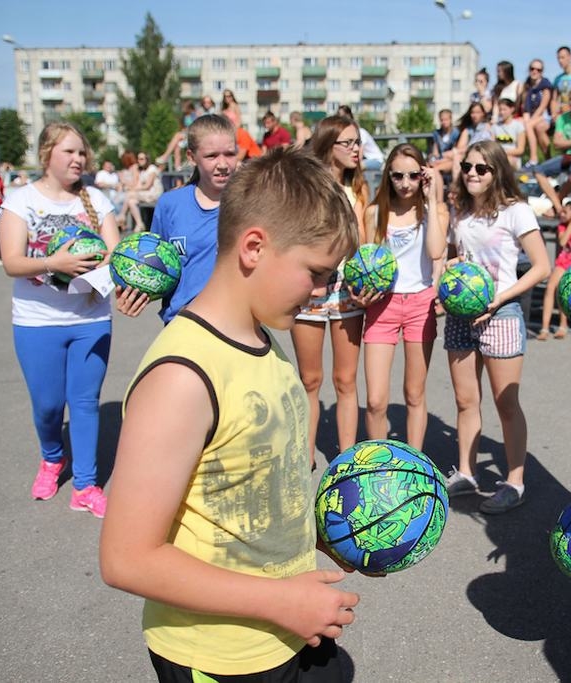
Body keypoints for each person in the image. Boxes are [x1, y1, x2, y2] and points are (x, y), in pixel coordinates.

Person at [99, 148, 362, 681]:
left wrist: (326, 534)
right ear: (254, 247)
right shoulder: (182, 377)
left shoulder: (264, 336)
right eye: (315, 272)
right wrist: (280, 602)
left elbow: (249, 486)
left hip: (285, 629)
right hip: (221, 656)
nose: (322, 292)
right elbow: (126, 558)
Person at [0, 122, 126, 518]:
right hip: (37, 321)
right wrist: (55, 263)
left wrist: (94, 265)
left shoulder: (96, 200)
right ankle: (52, 458)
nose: (78, 159)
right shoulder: (22, 201)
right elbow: (12, 262)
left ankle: (86, 485)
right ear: (46, 155)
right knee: (49, 406)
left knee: (85, 402)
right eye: (69, 152)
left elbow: (115, 253)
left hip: (90, 319)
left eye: (82, 153)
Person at [443, 140, 551, 514]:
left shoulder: (515, 211)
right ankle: (467, 474)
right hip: (461, 314)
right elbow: (459, 258)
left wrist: (499, 299)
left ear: (497, 172)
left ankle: (515, 481)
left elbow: (541, 266)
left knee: (506, 403)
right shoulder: (460, 212)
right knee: (465, 400)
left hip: (500, 314)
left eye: (481, 168)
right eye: (468, 167)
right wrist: (451, 274)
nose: (472, 173)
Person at [292, 115, 368, 468]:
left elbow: (365, 242)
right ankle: (305, 453)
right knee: (310, 379)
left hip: (348, 291)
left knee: (345, 380)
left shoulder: (360, 188)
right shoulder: (306, 185)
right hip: (310, 289)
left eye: (357, 142)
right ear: (328, 146)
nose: (356, 149)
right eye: (348, 143)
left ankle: (347, 457)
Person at [361, 144, 448, 450]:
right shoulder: (374, 212)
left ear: (423, 174)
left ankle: (413, 462)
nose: (406, 183)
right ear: (388, 175)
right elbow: (366, 260)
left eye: (413, 175)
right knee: (374, 400)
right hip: (382, 304)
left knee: (414, 394)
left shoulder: (433, 211)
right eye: (398, 175)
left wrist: (433, 197)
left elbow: (436, 252)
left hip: (419, 304)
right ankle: (376, 464)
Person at [148, 114, 239, 324]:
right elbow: (156, 266)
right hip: (182, 324)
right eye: (212, 156)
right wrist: (135, 288)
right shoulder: (170, 204)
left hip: (235, 326)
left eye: (230, 154)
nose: (223, 164)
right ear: (191, 157)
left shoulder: (250, 203)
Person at [536, 201, 571, 341]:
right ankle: (544, 327)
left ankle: (563, 325)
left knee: (565, 291)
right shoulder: (562, 227)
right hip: (563, 263)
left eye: (565, 212)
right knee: (550, 288)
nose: (561, 214)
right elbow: (562, 242)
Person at [533, 86, 571, 214]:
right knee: (538, 170)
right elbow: (556, 143)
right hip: (568, 155)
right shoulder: (562, 118)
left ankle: (556, 207)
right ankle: (558, 206)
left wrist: (567, 142)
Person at [521, 59, 553, 167]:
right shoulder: (528, 86)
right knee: (521, 126)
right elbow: (526, 108)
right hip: (533, 117)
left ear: (542, 72)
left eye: (538, 70)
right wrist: (526, 120)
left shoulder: (545, 84)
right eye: (532, 68)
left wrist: (530, 121)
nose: (535, 71)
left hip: (544, 115)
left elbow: (543, 105)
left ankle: (533, 158)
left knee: (529, 125)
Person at [121, 151, 164, 233]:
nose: (139, 161)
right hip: (145, 194)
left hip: (154, 193)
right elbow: (138, 185)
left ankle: (122, 215)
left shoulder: (152, 169)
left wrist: (133, 190)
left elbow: (148, 185)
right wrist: (131, 188)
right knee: (131, 201)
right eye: (138, 159)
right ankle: (140, 223)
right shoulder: (142, 171)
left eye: (141, 159)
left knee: (130, 195)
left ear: (146, 159)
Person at [493, 98, 526, 170]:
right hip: (498, 156)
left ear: (512, 109)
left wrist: (503, 153)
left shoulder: (518, 126)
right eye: (500, 110)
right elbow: (492, 145)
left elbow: (520, 150)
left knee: (507, 160)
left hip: (512, 158)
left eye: (504, 109)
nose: (502, 112)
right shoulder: (495, 127)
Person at [429, 108, 460, 176]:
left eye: (446, 119)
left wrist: (439, 161)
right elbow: (435, 151)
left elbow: (455, 152)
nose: (444, 122)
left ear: (450, 119)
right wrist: (433, 159)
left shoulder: (456, 133)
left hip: (450, 160)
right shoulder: (436, 133)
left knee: (436, 169)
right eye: (441, 120)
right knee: (429, 167)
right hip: (439, 160)